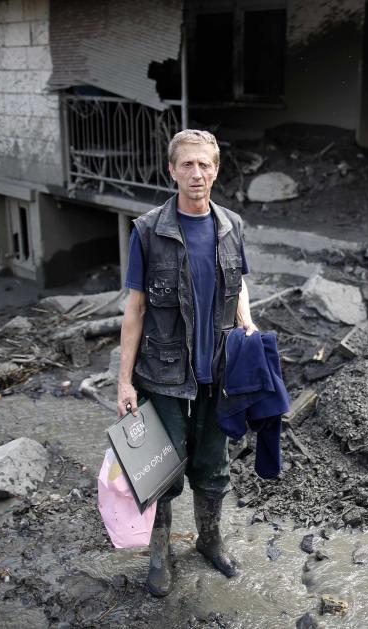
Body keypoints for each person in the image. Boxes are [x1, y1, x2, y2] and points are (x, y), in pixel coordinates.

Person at [116, 129, 256, 597]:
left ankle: (210, 540)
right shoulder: (148, 231)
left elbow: (240, 286)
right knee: (161, 468)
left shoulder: (232, 225)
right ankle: (160, 554)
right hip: (162, 372)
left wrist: (247, 323)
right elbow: (134, 311)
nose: (197, 173)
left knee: (214, 465)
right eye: (187, 165)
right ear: (172, 170)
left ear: (216, 169)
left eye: (205, 165)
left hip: (219, 369)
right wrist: (123, 384)